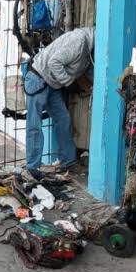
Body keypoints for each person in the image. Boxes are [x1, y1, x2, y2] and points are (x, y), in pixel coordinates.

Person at [24, 26, 95, 178]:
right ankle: (32, 167)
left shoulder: (88, 50)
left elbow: (82, 69)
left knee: (63, 120)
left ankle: (68, 162)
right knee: (34, 125)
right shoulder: (79, 41)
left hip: (52, 83)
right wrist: (69, 82)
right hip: (38, 78)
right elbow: (54, 63)